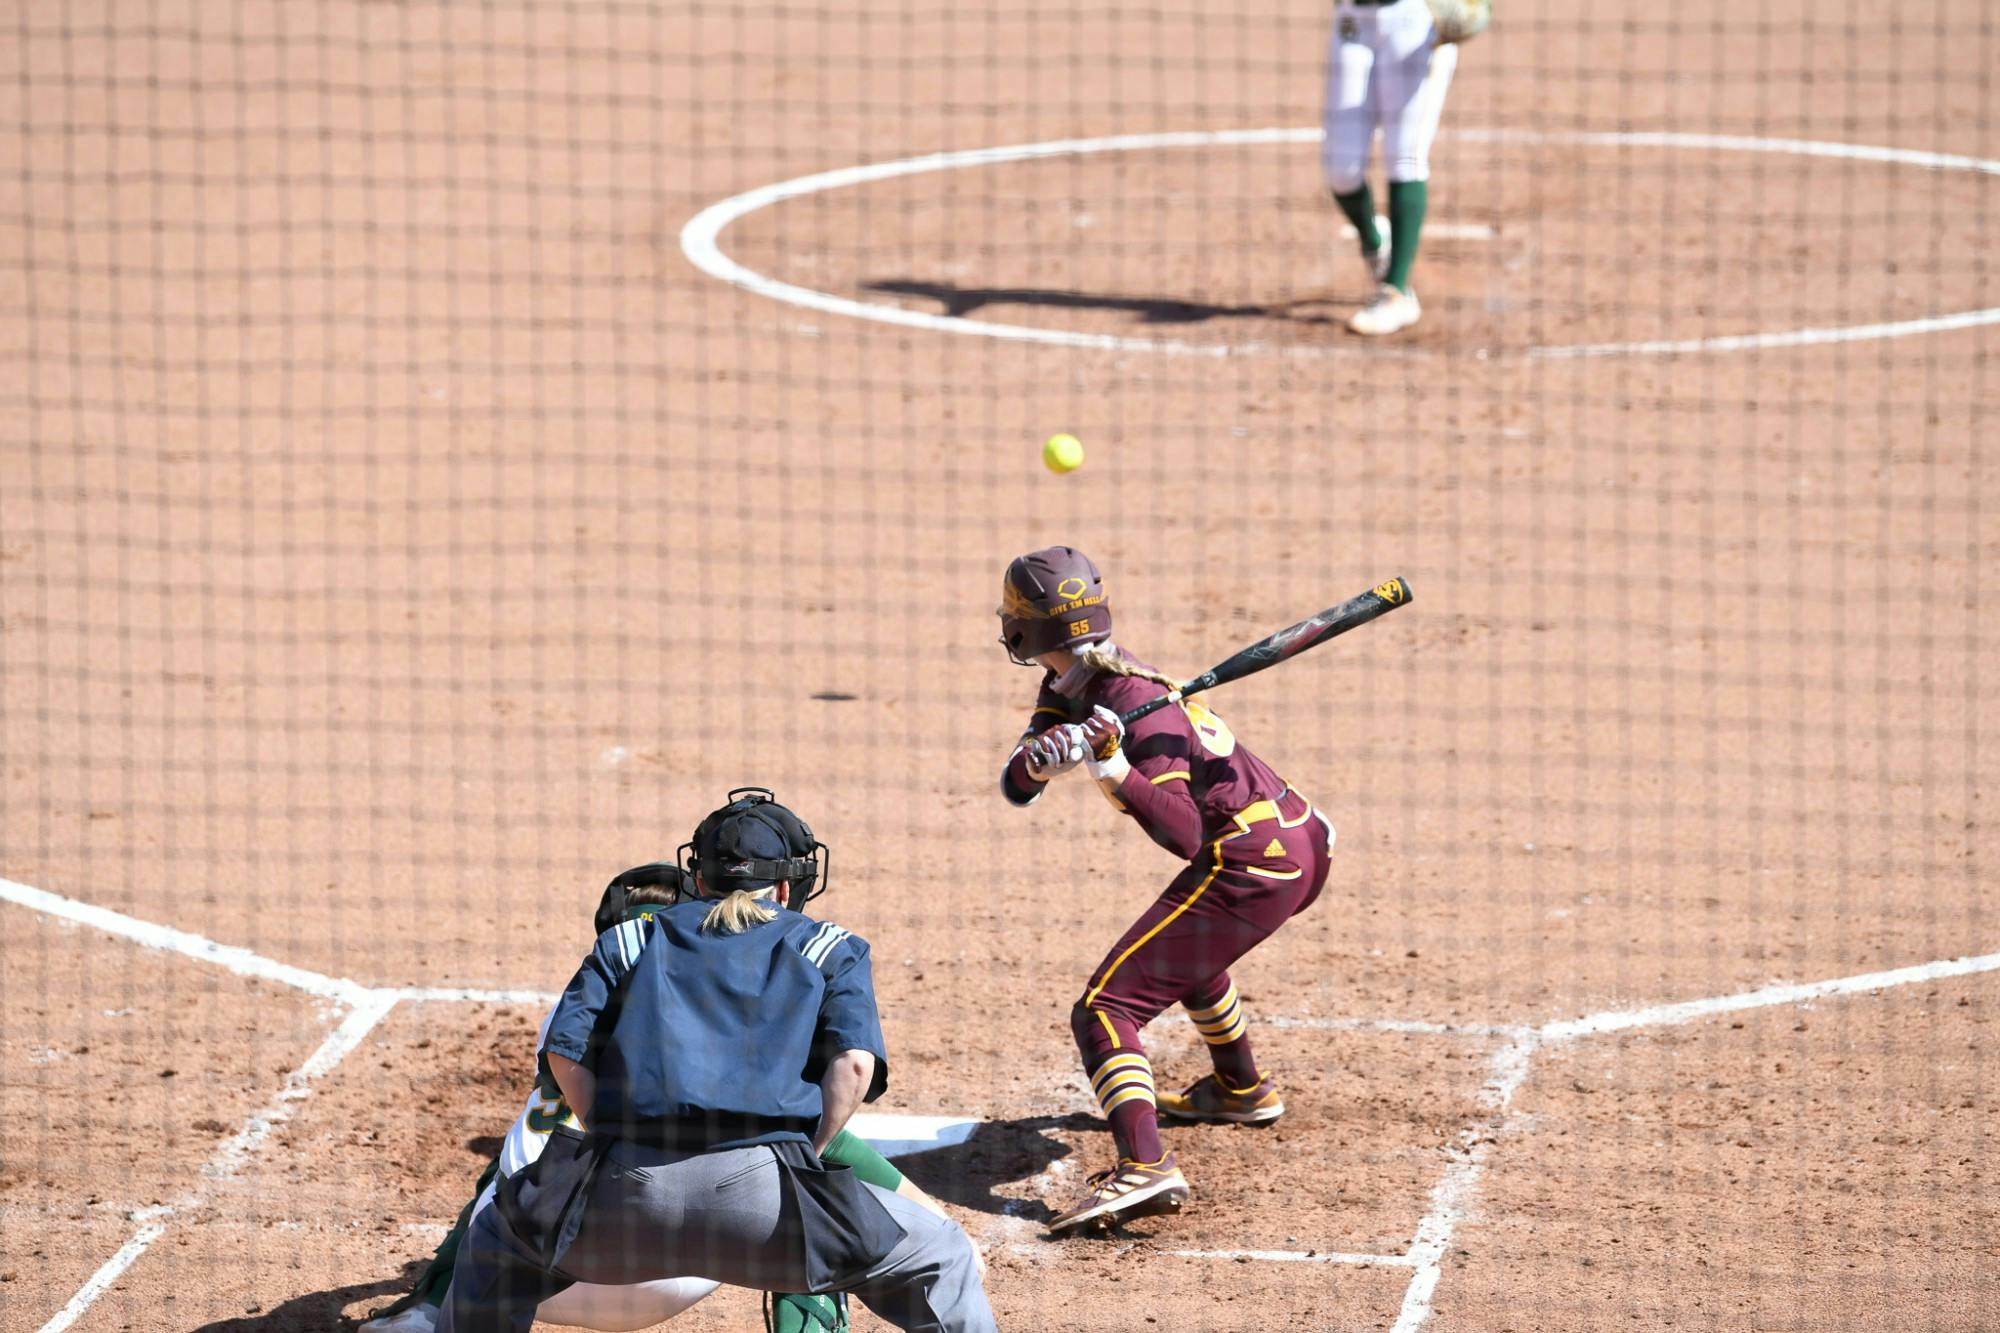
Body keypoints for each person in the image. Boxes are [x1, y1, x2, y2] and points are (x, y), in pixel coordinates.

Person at [436, 789, 996, 1333]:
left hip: (621, 1205)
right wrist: (805, 1155)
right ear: (785, 887)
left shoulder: (629, 939)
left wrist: (609, 1135)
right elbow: (853, 1068)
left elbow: (565, 1052)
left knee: (495, 1239)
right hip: (766, 1207)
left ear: (698, 880)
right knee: (940, 1254)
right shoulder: (830, 946)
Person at [996, 548, 1336, 1232]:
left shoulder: (1135, 706)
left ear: (1024, 626)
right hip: (1295, 842)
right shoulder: (1073, 680)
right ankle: (1241, 1088)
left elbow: (1183, 832)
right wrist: (1040, 762)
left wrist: (1113, 766)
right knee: (1188, 958)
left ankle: (1145, 1164)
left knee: (1105, 1007)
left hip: (1254, 863)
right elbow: (1015, 783)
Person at [1322, 0, 1463, 336]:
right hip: (1352, 22)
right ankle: (1374, 240)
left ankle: (1397, 291)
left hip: (1413, 21)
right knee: (1340, 170)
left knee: (1405, 156)